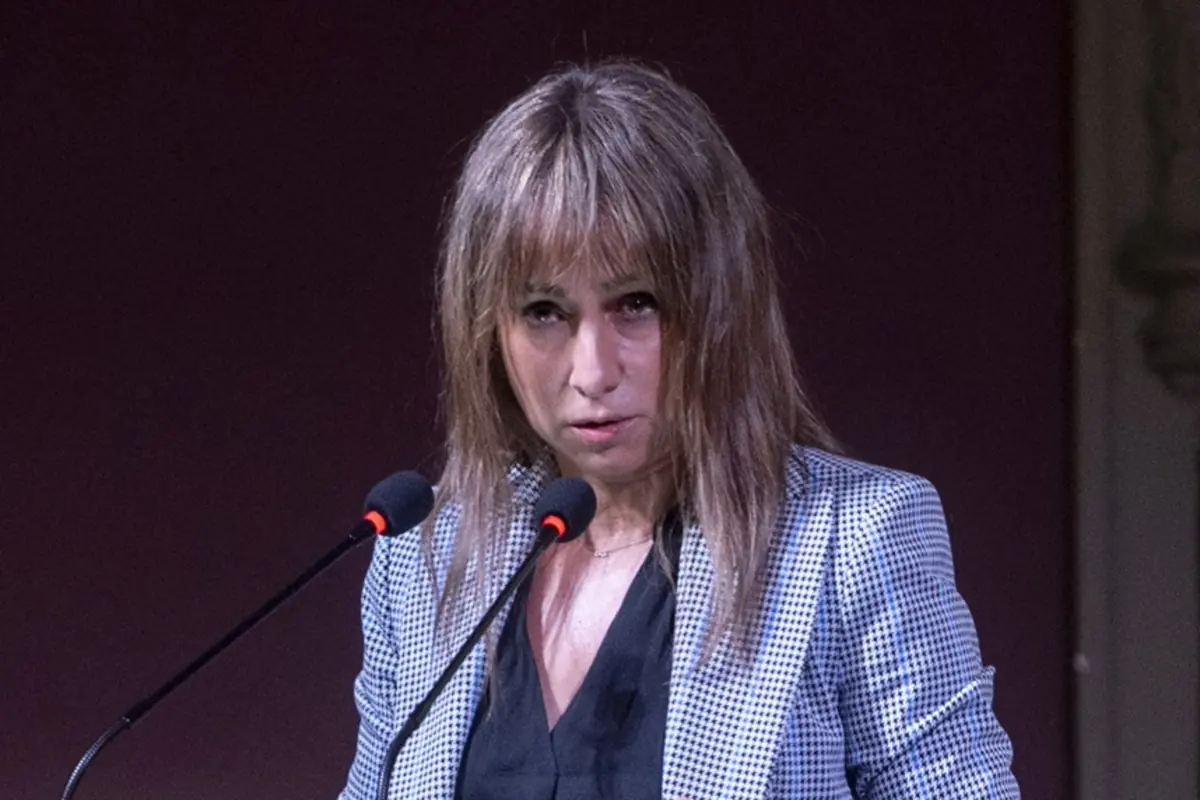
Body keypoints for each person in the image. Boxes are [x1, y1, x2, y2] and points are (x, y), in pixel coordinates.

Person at [341, 60, 1018, 799]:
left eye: (635, 303)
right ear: (488, 331)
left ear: (720, 308)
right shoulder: (428, 559)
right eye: (544, 311)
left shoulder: (850, 543)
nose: (593, 370)